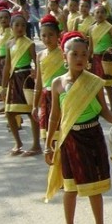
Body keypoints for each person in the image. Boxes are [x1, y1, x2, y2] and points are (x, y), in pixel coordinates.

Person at [44, 32, 112, 224]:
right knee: (70, 188)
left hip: (92, 137)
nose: (79, 58)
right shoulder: (57, 84)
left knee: (95, 188)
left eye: (84, 54)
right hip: (70, 140)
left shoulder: (95, 82)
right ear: (64, 56)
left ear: (88, 57)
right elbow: (54, 117)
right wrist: (48, 145)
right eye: (74, 53)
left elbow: (105, 111)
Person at [2, 12, 40, 155]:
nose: (20, 28)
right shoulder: (9, 43)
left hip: (25, 78)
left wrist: (36, 74)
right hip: (14, 79)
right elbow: (7, 65)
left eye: (23, 25)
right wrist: (4, 86)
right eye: (17, 25)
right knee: (10, 113)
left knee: (31, 113)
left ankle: (36, 145)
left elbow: (36, 61)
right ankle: (18, 142)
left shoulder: (29, 43)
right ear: (11, 27)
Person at [32, 14, 66, 142]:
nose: (47, 38)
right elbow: (39, 83)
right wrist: (35, 105)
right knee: (49, 136)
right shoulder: (40, 56)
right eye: (44, 35)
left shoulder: (64, 53)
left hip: (63, 96)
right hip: (47, 97)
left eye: (51, 35)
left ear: (58, 35)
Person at [88, 4, 112, 115]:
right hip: (96, 58)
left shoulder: (109, 27)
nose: (100, 14)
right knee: (97, 85)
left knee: (108, 85)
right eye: (97, 12)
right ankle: (99, 108)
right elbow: (90, 48)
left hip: (106, 58)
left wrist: (111, 49)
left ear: (106, 15)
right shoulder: (91, 29)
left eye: (102, 12)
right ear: (94, 15)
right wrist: (88, 60)